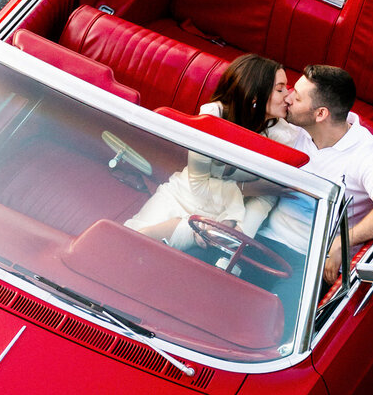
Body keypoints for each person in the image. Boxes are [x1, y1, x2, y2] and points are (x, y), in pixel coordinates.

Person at [251, 64, 373, 328]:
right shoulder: (292, 128)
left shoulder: (367, 153)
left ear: (321, 113)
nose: (288, 97)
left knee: (271, 328)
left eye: (298, 97)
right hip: (259, 236)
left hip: (307, 263)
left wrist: (340, 244)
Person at [125, 54, 301, 250]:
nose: (288, 95)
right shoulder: (212, 115)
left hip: (229, 216)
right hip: (181, 198)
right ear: (255, 96)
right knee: (128, 244)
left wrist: (241, 231)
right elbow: (198, 185)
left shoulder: (284, 135)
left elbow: (267, 197)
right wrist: (249, 189)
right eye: (280, 89)